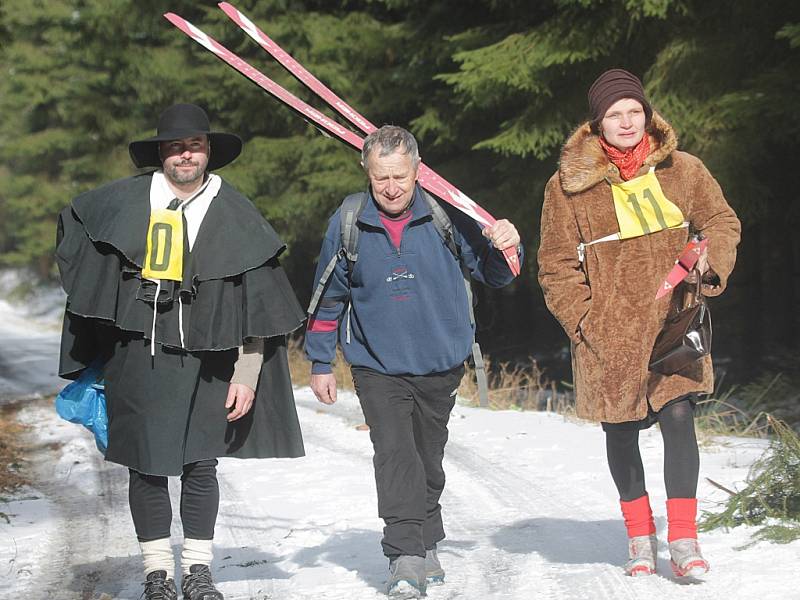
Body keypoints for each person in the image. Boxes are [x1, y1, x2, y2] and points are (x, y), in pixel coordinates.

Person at [56, 103, 306, 600]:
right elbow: (76, 240)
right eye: (174, 146)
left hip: (212, 361)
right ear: (161, 154)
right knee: (145, 464)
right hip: (137, 356)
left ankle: (197, 570)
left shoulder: (235, 212)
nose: (184, 155)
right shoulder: (122, 203)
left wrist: (247, 374)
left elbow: (257, 308)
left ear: (208, 150)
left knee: (200, 463)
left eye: (193, 145)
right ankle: (156, 573)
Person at [538, 69, 741, 578]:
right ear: (597, 123)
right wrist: (584, 323)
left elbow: (720, 220)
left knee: (679, 419)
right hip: (611, 332)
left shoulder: (684, 169)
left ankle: (684, 539)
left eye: (634, 111)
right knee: (622, 431)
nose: (627, 122)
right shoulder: (568, 186)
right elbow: (555, 264)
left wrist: (707, 259)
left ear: (646, 114)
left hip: (675, 322)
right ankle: (638, 537)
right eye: (614, 114)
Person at [305, 125, 522, 597]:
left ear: (418, 171)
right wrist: (320, 362)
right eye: (381, 177)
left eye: (400, 176)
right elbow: (328, 295)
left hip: (440, 359)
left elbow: (494, 273)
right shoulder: (349, 220)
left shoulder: (447, 213)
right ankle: (404, 553)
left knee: (428, 455)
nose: (391, 187)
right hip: (375, 363)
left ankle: (428, 538)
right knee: (395, 453)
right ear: (367, 171)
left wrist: (508, 245)